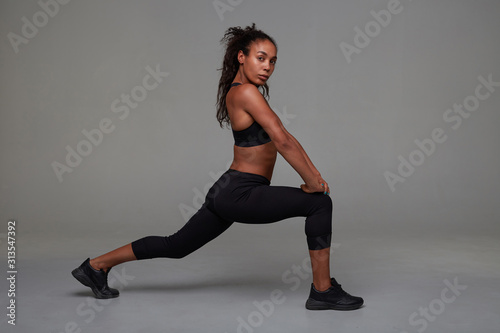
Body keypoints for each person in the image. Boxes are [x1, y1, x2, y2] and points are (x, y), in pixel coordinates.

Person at [72, 23, 363, 311]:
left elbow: (285, 140)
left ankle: (95, 266)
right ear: (241, 56)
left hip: (227, 190)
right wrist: (314, 181)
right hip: (240, 193)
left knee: (176, 246)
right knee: (320, 205)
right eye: (260, 58)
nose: (267, 67)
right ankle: (322, 290)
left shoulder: (240, 92)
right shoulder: (247, 93)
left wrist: (314, 178)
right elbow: (283, 139)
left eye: (272, 61)